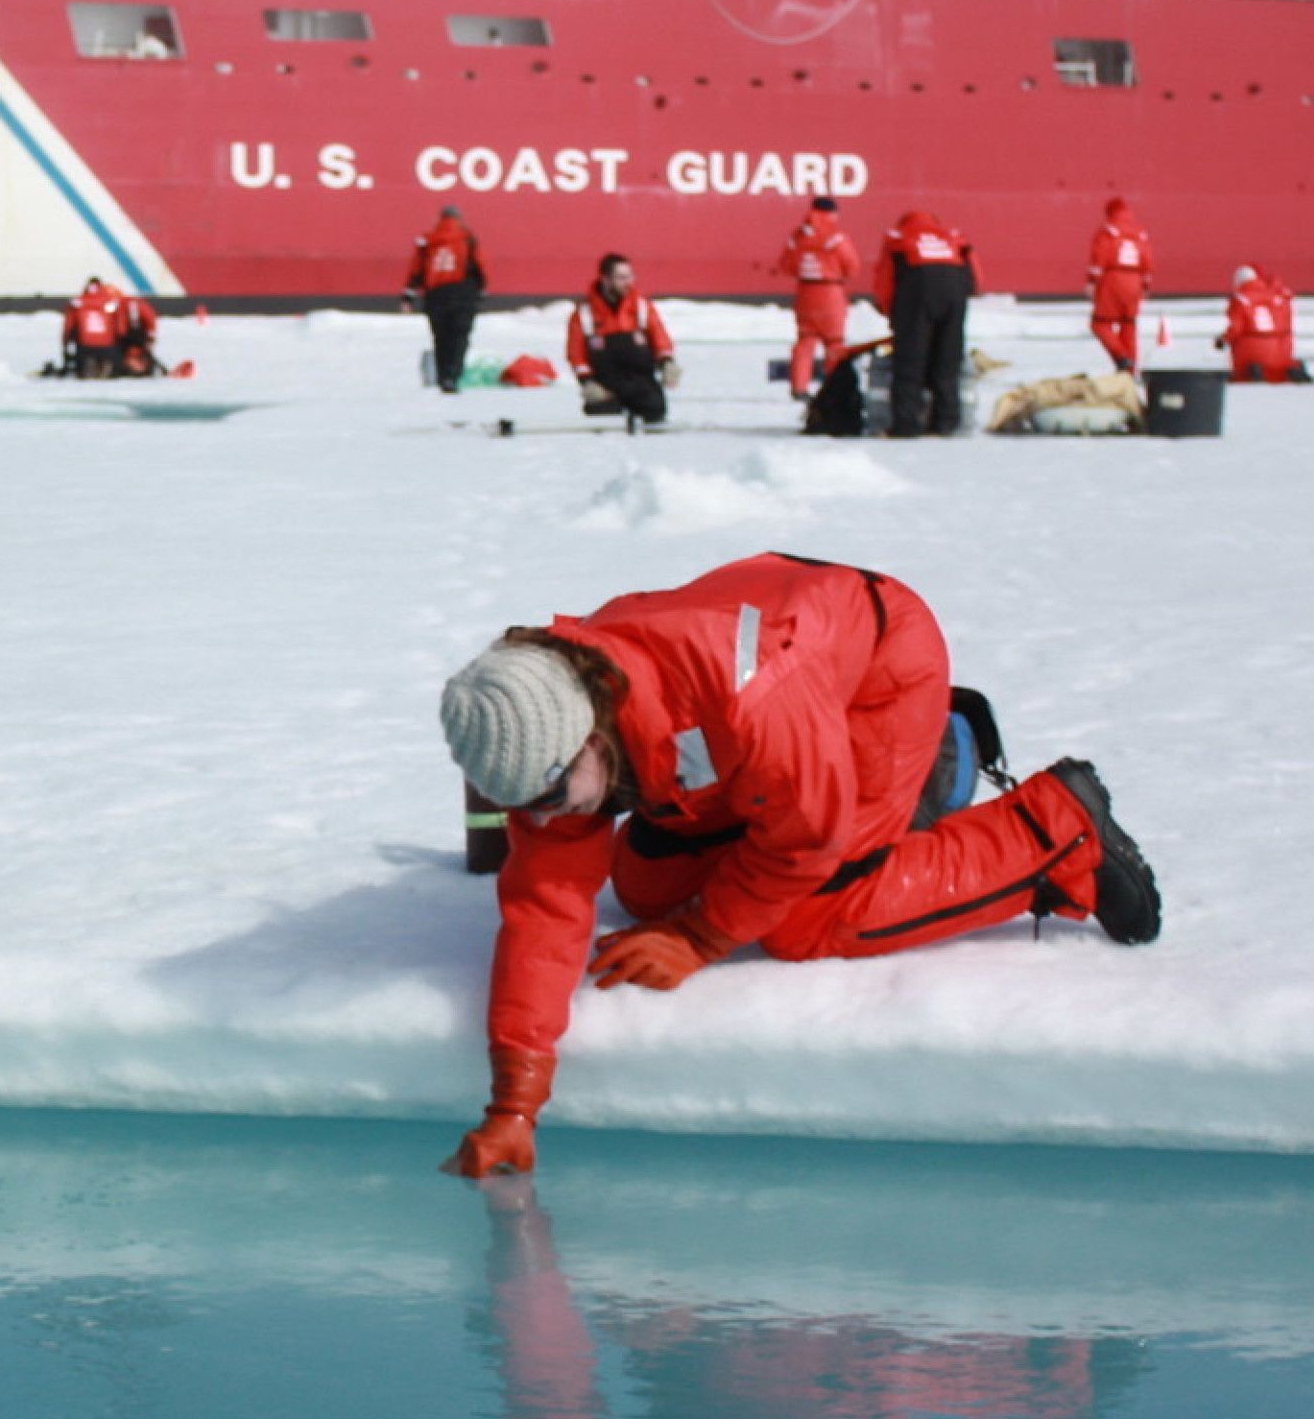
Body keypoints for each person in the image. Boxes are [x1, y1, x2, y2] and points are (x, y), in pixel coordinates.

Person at [433, 554, 1161, 1177]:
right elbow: (546, 908)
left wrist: (702, 938)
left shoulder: (753, 699)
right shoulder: (551, 714)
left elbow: (806, 841)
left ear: (591, 738)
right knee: (648, 888)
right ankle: (923, 775)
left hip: (876, 675)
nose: (544, 821)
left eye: (553, 797)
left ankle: (1056, 831)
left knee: (809, 918)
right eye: (519, 806)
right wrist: (515, 1102)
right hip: (765, 692)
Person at [875, 209, 977, 435]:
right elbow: (975, 279)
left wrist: (890, 312)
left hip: (917, 289)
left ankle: (907, 424)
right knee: (947, 360)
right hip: (954, 290)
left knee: (910, 361)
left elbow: (885, 279)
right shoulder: (953, 236)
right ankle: (946, 423)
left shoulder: (898, 238)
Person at [565, 253, 677, 427]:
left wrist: (667, 363)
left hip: (642, 386)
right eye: (622, 278)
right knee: (604, 425)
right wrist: (587, 383)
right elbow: (576, 355)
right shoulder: (584, 314)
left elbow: (660, 338)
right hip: (605, 390)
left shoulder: (641, 307)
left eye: (630, 276)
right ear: (606, 280)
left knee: (656, 416)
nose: (629, 282)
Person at [772, 196, 859, 399]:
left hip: (805, 293)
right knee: (834, 343)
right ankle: (834, 386)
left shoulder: (799, 235)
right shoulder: (836, 236)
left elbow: (786, 264)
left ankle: (799, 387)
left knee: (805, 341)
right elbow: (852, 266)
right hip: (831, 293)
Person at [406, 206, 488, 392]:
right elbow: (478, 265)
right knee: (459, 337)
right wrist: (481, 290)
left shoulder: (428, 240)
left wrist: (409, 293)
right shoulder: (467, 238)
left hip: (435, 294)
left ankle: (443, 376)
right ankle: (453, 374)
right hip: (462, 292)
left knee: (440, 338)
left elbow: (417, 268)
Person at [1086, 197, 1153, 373]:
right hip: (1135, 281)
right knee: (1128, 325)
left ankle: (1120, 355)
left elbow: (1099, 257)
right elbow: (1147, 259)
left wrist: (1092, 282)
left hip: (1113, 279)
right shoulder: (1140, 232)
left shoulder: (1108, 230)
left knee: (1100, 324)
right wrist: (1145, 285)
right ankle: (1130, 370)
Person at [1221, 264, 1301, 383]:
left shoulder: (1240, 299)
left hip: (1251, 348)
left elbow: (1236, 328)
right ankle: (1289, 370)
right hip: (1280, 346)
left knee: (1244, 367)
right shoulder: (1278, 297)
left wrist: (1223, 340)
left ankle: (1252, 372)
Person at [61, 278, 128, 377]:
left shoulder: (78, 303)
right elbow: (120, 328)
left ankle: (89, 364)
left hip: (85, 346)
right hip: (108, 346)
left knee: (86, 358)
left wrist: (66, 343)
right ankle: (106, 365)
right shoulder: (111, 303)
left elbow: (68, 327)